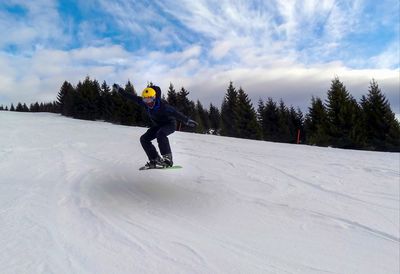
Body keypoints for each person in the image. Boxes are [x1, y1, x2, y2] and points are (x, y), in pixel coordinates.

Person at [113, 83, 198, 169]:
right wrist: (120, 90)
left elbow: (176, 113)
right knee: (144, 139)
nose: (148, 102)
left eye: (150, 99)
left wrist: (186, 120)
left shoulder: (163, 106)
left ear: (155, 97)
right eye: (145, 100)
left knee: (160, 134)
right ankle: (155, 159)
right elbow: (131, 96)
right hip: (159, 125)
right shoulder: (144, 104)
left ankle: (167, 160)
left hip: (170, 124)